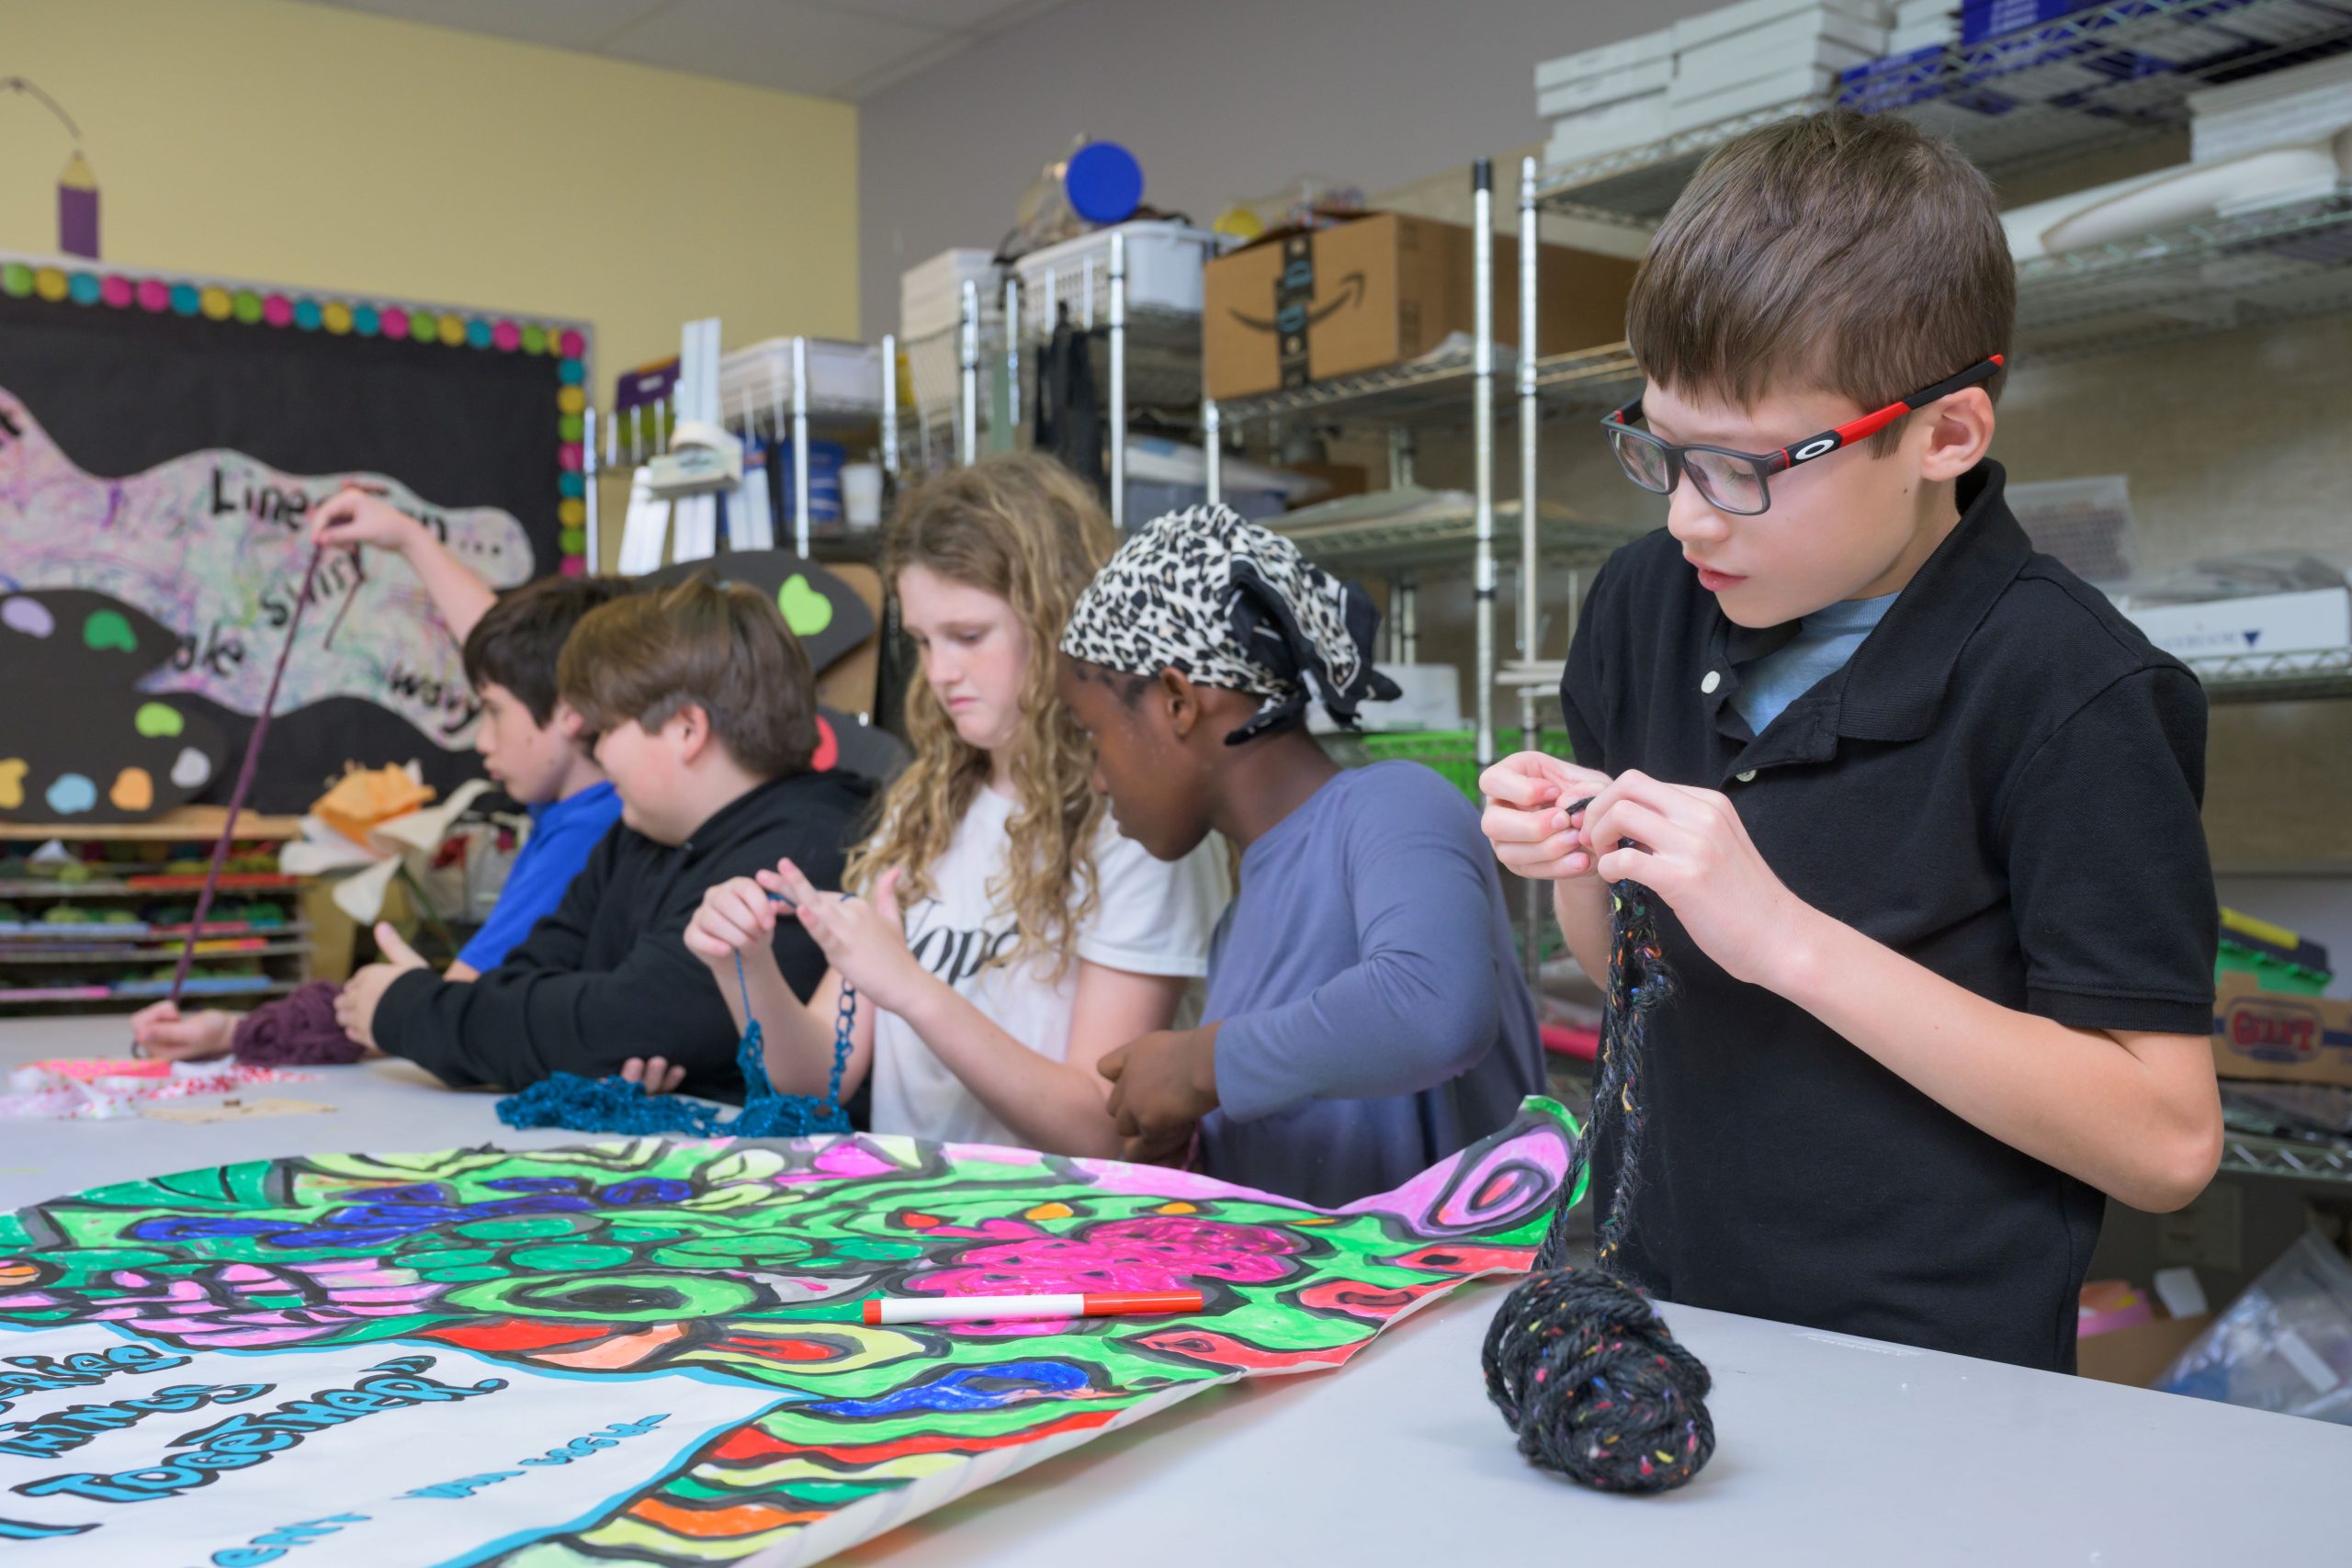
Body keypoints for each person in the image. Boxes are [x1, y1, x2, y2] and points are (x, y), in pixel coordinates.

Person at [1477, 109, 2222, 1371]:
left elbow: (2164, 1142)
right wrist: (1575, 855)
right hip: (1664, 1310)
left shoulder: (2071, 688)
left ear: (1944, 435)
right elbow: (1627, 976)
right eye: (1662, 448)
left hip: (1928, 1370)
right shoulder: (1644, 605)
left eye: (1742, 467)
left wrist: (1786, 937)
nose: (1692, 519)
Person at [674, 455, 1227, 1155]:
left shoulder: (1143, 828)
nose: (939, 672)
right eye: (924, 642)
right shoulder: (926, 807)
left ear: (1059, 621)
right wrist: (744, 963)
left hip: (1067, 1242)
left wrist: (910, 986)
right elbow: (817, 1081)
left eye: (968, 637)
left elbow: (1106, 1130)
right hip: (918, 1227)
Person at [1054, 502, 1544, 1207]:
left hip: (1455, 1307)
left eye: (1093, 732)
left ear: (1177, 702)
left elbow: (1435, 1009)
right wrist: (1186, 1147)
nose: (1098, 776)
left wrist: (1200, 1062)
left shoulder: (1394, 805)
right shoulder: (1237, 928)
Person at [130, 494, 630, 1060]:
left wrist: (241, 1034)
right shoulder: (582, 804)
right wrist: (408, 539)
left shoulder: (588, 834)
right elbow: (517, 666)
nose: (483, 739)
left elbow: (447, 1011)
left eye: (491, 711)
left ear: (572, 713)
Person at [336, 577, 871, 1096]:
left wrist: (409, 1009)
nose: (597, 752)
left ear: (687, 729)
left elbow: (629, 1023)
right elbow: (532, 976)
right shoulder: (637, 836)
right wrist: (578, 1040)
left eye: (609, 729)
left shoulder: (810, 846)